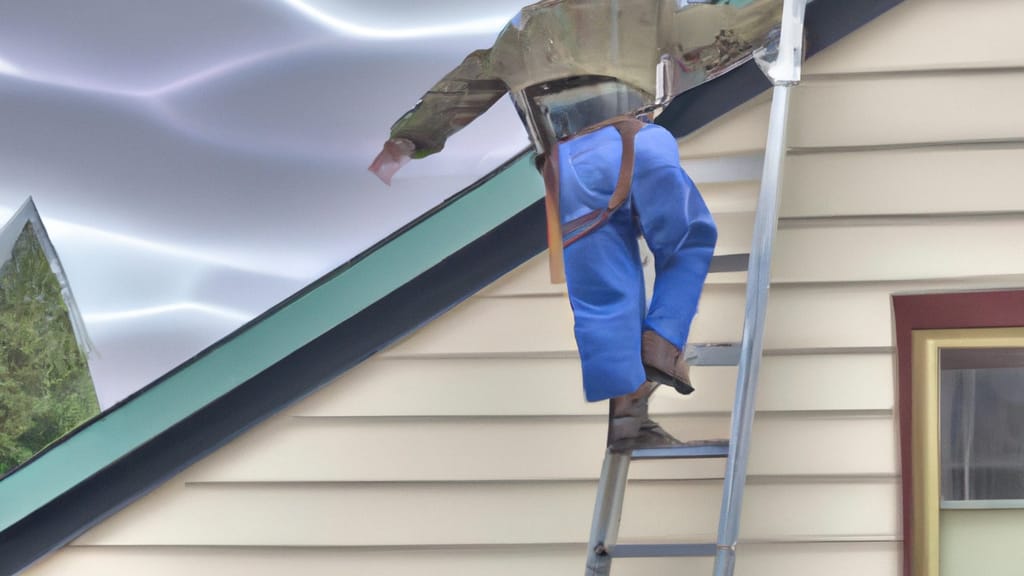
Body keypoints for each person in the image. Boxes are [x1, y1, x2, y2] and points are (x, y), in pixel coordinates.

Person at [370, 0, 782, 449]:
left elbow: (463, 87)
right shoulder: (638, 8)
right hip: (632, 141)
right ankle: (662, 343)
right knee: (687, 239)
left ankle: (627, 421)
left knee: (603, 293)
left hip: (568, 166)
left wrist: (407, 140)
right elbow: (725, 28)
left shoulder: (520, 29)